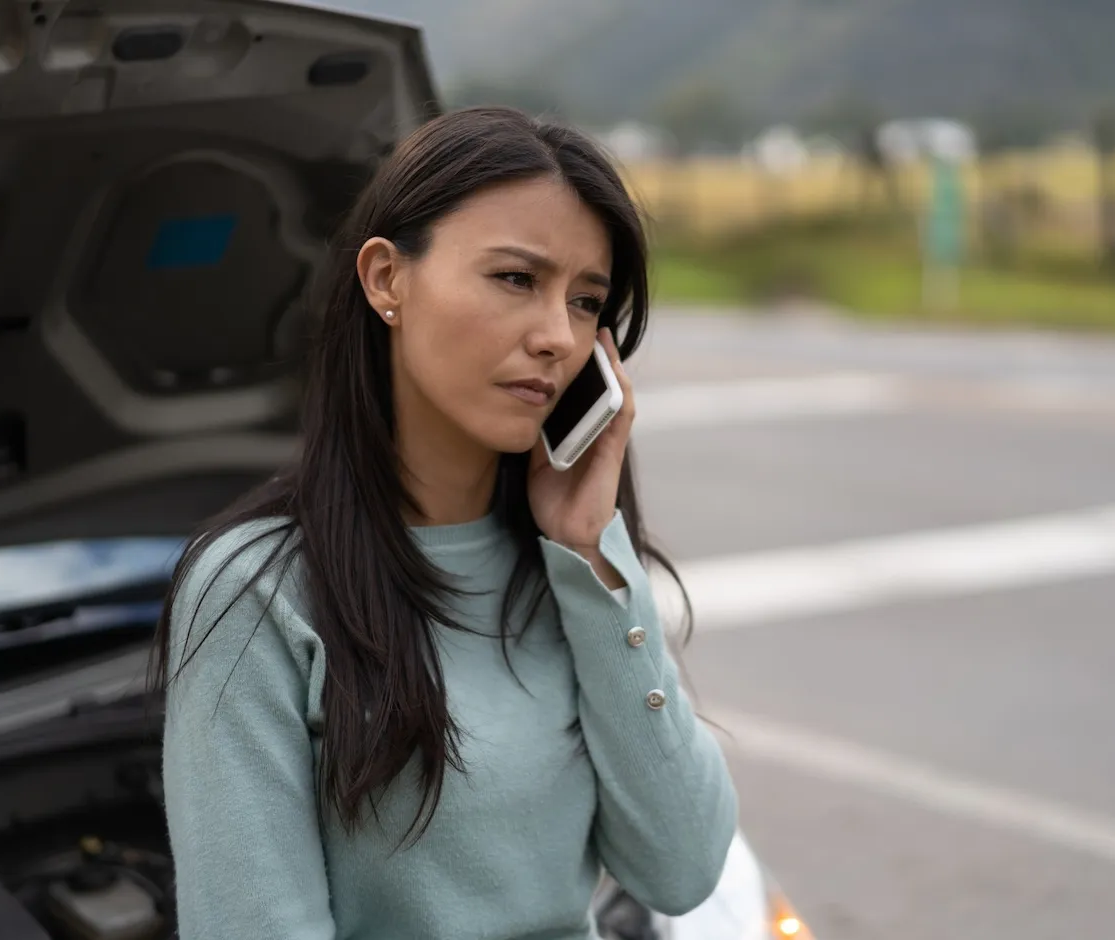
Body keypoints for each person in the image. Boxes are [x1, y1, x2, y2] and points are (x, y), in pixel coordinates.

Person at [152, 106, 738, 940]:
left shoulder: (571, 567)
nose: (555, 338)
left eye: (585, 302)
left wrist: (592, 556)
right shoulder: (257, 593)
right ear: (387, 279)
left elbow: (680, 870)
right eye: (514, 279)